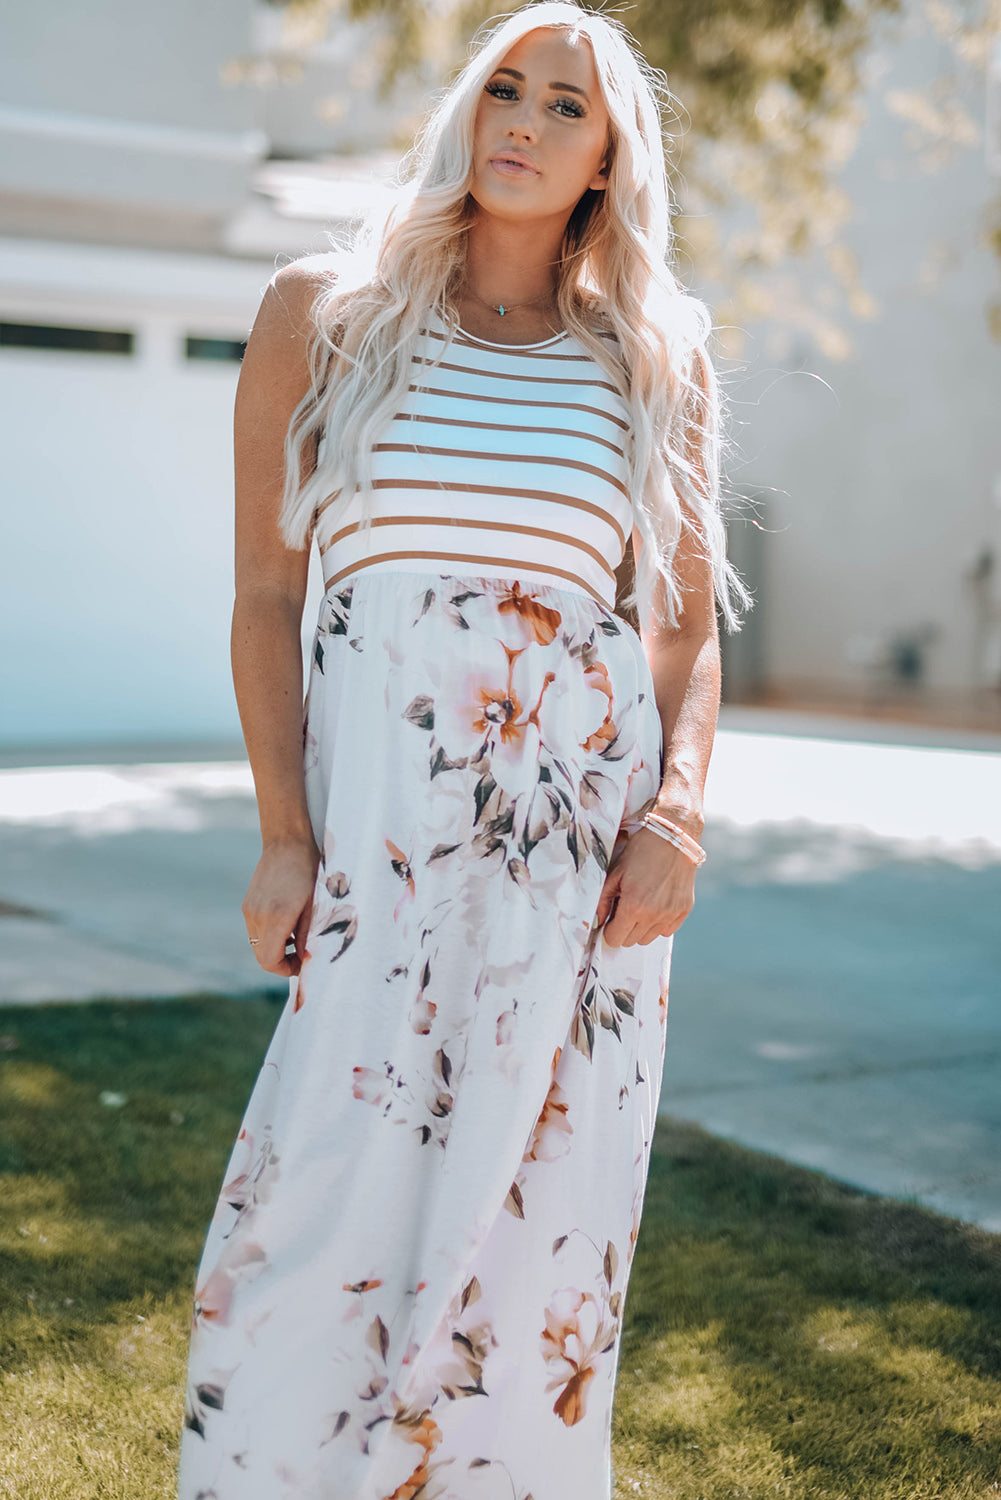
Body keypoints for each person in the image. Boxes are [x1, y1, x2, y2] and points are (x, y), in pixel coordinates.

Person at [177, 3, 750, 1497]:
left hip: (580, 862)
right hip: (375, 846)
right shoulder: (329, 310)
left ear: (608, 159)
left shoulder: (652, 350)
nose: (525, 122)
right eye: (505, 87)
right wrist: (284, 831)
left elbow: (683, 630)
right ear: (462, 109)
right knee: (319, 1207)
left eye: (568, 107)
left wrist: (674, 816)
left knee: (535, 1223)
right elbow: (266, 591)